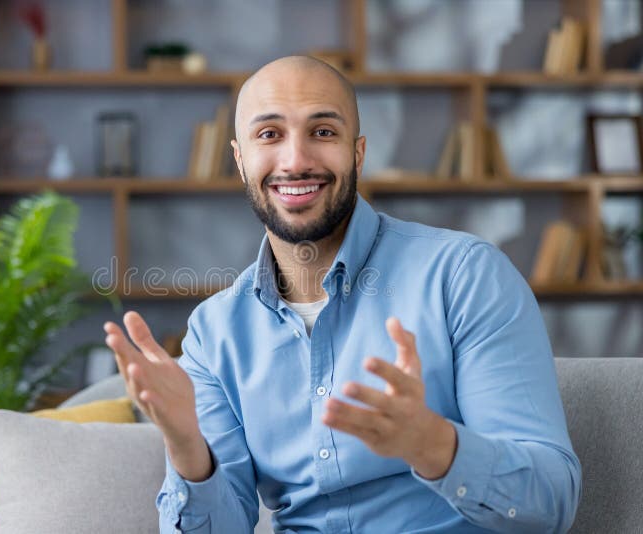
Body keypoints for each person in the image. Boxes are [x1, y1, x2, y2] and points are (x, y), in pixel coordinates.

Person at [103, 55, 581, 533]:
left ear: (357, 152)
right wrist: (187, 448)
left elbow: (551, 505)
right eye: (269, 135)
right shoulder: (214, 333)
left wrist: (433, 444)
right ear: (240, 160)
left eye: (323, 132)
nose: (295, 161)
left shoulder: (464, 277)